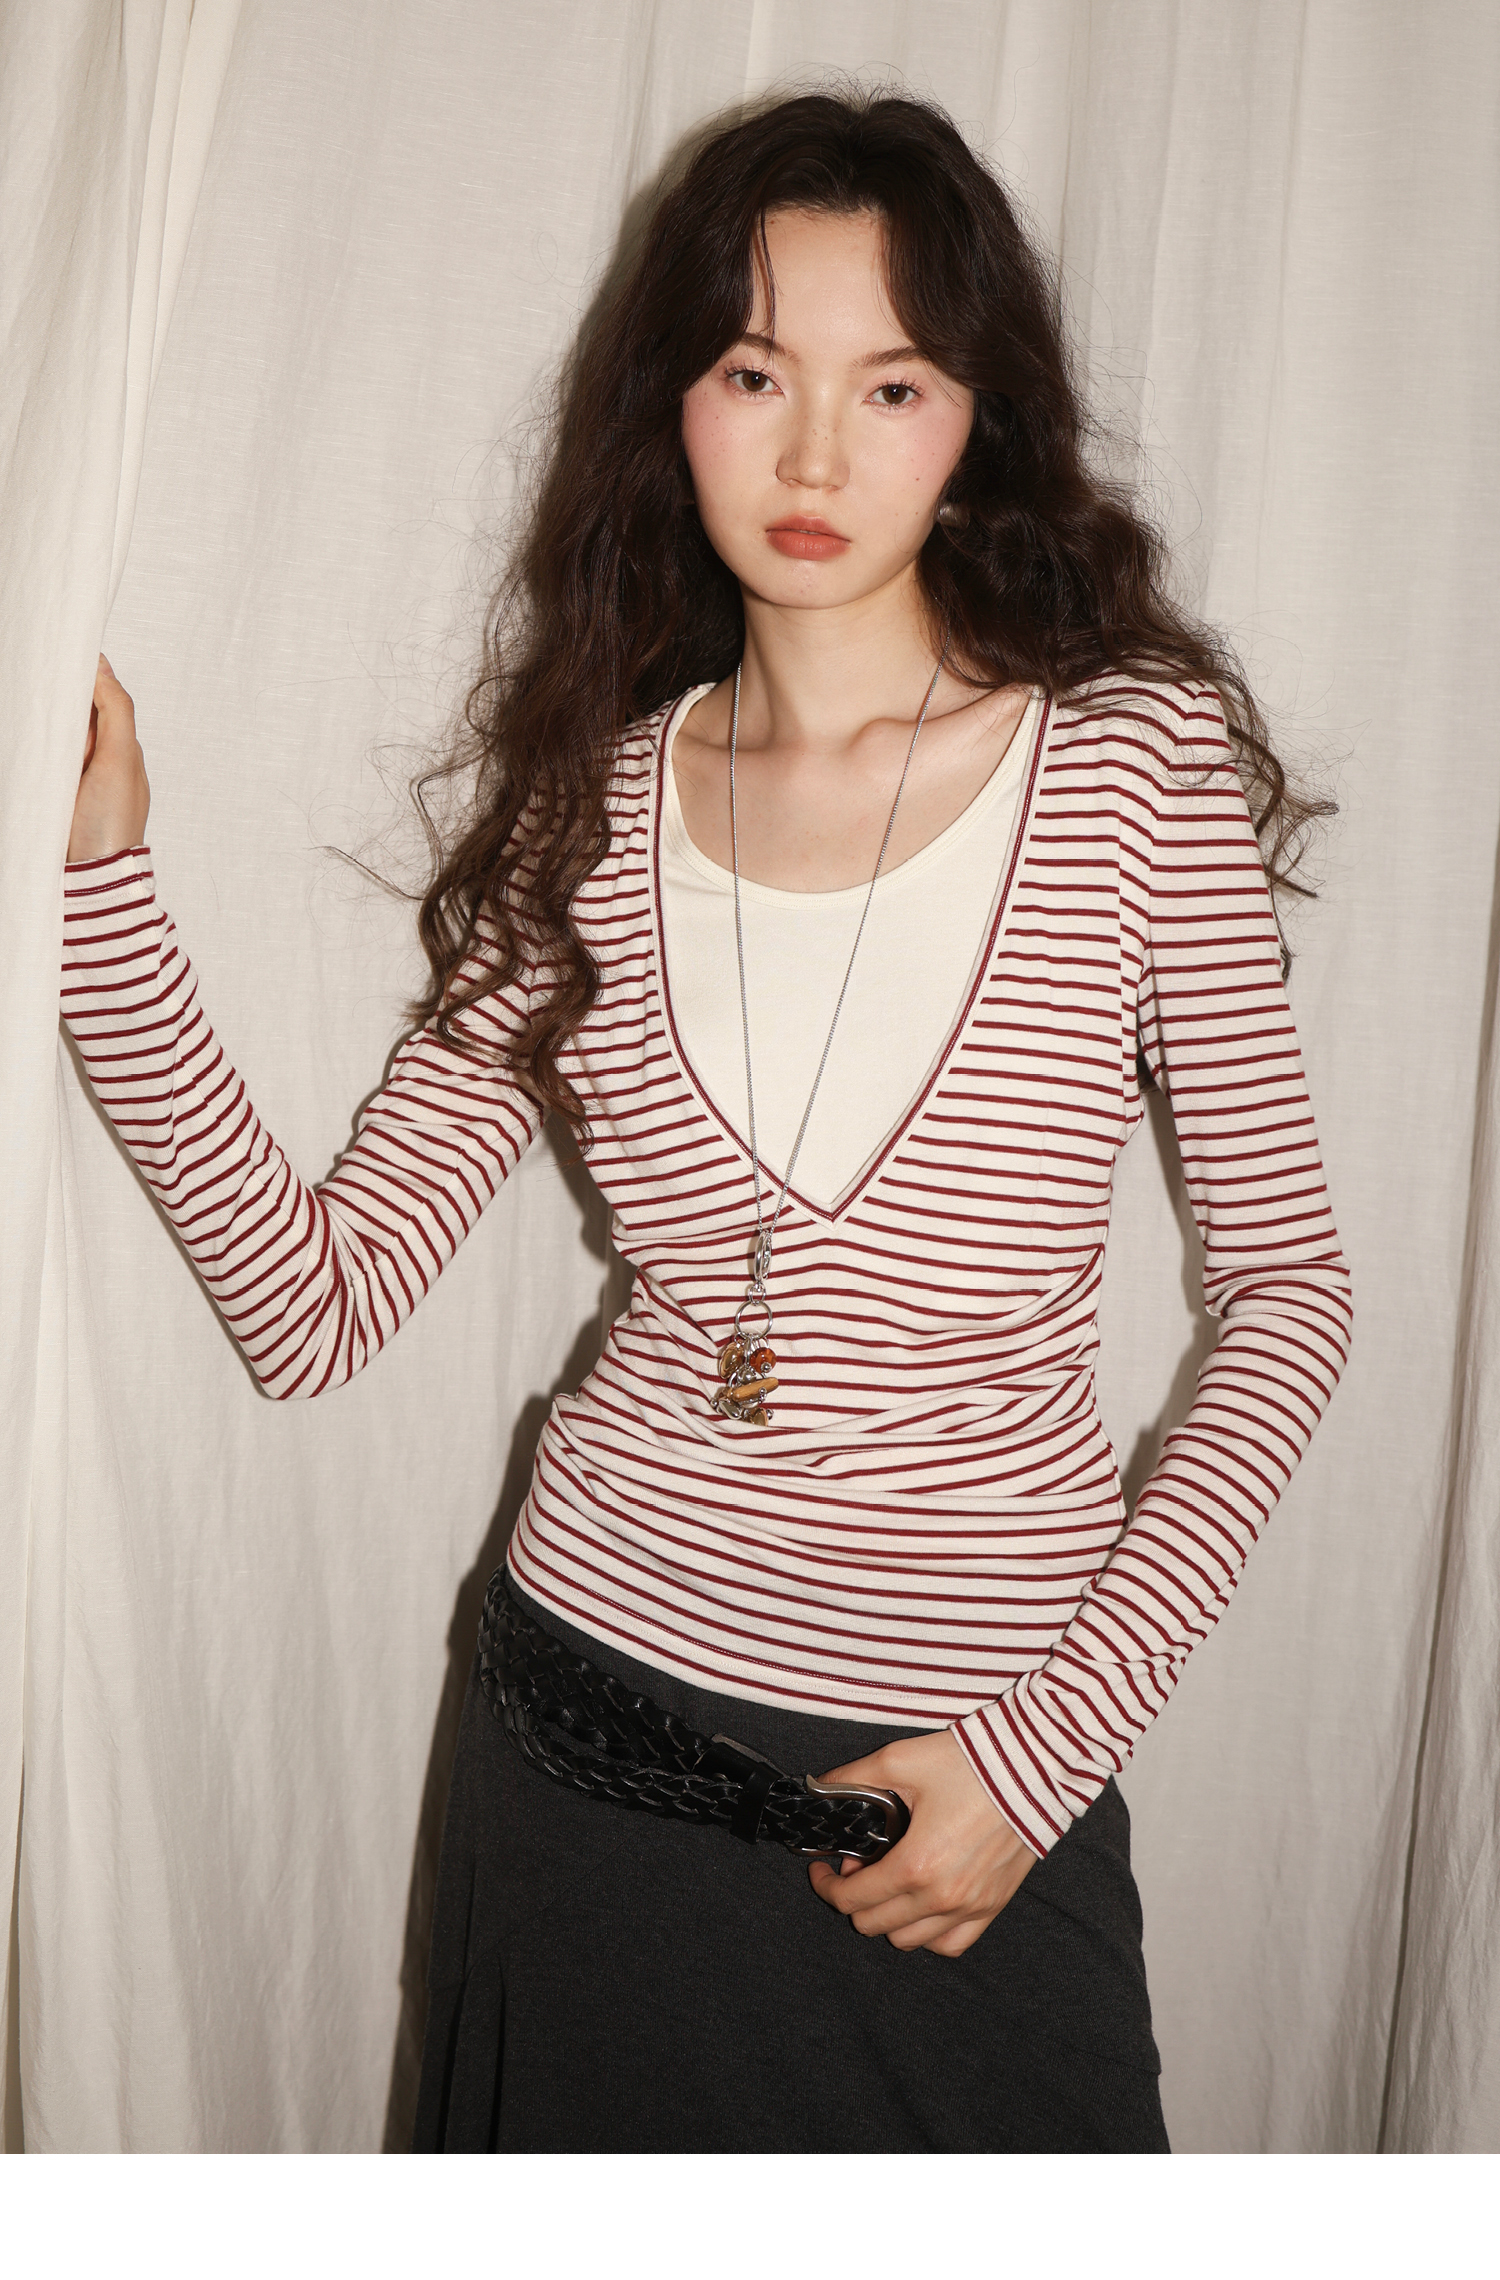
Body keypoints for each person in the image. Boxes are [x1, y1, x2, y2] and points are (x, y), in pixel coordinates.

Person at [61, 90, 1351, 2153]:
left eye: (892, 384)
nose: (816, 454)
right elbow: (313, 1306)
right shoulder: (590, 808)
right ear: (673, 397)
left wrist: (1046, 1751)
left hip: (968, 1786)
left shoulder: (1132, 766)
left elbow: (1290, 1297)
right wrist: (97, 891)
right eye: (756, 373)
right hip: (583, 1745)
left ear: (978, 418)